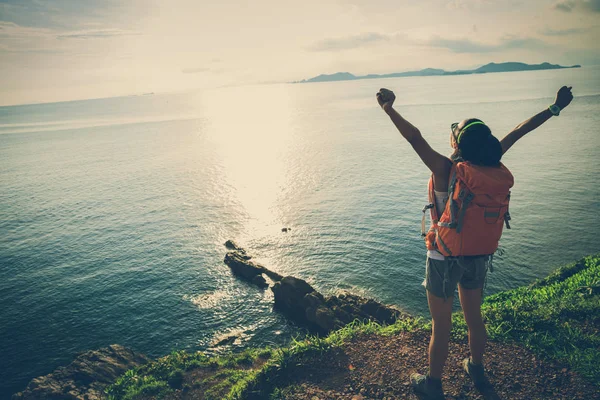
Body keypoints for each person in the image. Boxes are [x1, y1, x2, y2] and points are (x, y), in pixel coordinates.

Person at [376, 85, 574, 399]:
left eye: (455, 130)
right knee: (473, 317)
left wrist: (388, 109)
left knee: (441, 326)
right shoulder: (492, 163)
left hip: (444, 256)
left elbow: (414, 137)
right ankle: (476, 367)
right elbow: (519, 130)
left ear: (457, 142)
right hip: (480, 254)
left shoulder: (445, 168)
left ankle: (433, 385)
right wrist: (554, 107)